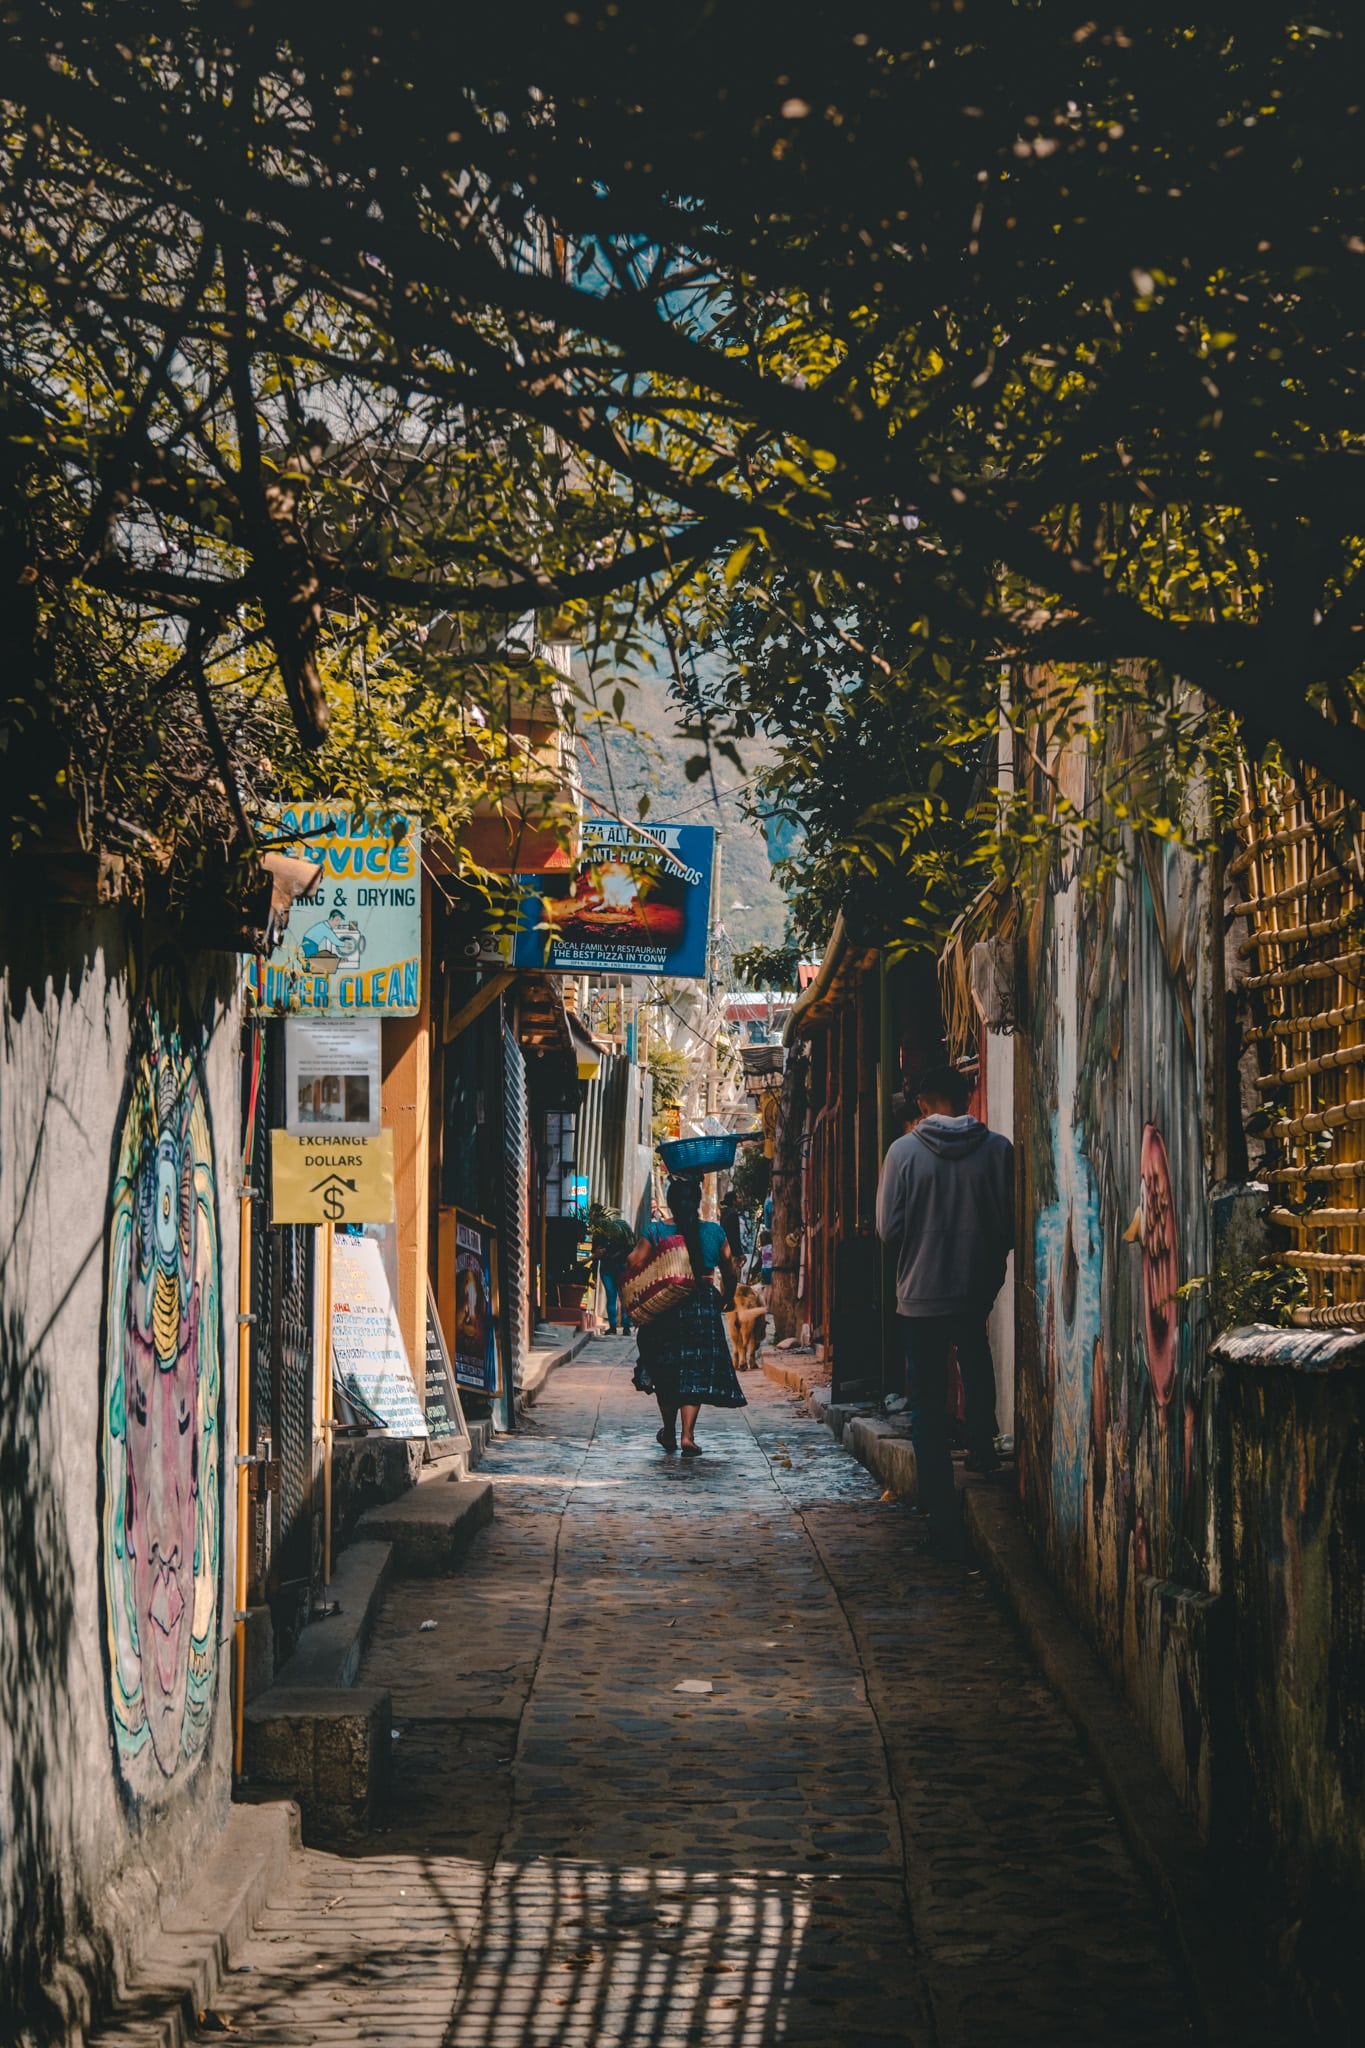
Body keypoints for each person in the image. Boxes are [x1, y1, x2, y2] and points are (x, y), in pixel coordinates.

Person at [875, 1064, 1014, 1556]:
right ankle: (982, 1449)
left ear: (921, 1104)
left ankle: (936, 1500)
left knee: (927, 1401)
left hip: (920, 1290)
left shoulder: (903, 1153)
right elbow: (1008, 1222)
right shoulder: (998, 1150)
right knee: (976, 1360)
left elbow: (888, 1229)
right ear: (968, 1095)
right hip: (974, 1286)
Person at [632, 1174, 746, 1455]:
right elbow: (730, 1270)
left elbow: (634, 1261)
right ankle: (688, 1436)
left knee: (666, 1367)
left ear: (670, 1202)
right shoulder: (714, 1232)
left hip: (664, 1304)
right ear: (697, 1202)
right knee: (693, 1369)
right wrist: (727, 1297)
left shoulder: (656, 1231)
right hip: (703, 1302)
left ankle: (669, 1432)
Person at [592, 1208, 636, 1335]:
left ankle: (623, 1326)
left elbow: (629, 1249)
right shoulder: (599, 1234)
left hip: (618, 1267)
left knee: (619, 1297)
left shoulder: (619, 1230)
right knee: (615, 1296)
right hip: (610, 1267)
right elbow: (595, 1255)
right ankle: (616, 1326)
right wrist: (594, 1273)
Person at [719, 1190, 744, 1265]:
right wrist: (740, 1254)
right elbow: (734, 1236)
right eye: (738, 1198)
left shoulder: (724, 1214)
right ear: (734, 1201)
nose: (741, 1200)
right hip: (732, 1254)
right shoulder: (733, 1214)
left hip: (725, 1252)